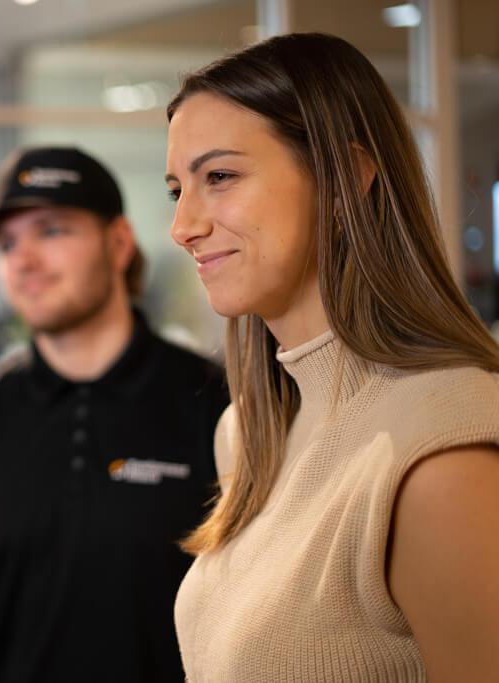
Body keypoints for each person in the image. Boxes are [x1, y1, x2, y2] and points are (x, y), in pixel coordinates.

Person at [164, 32, 499, 682]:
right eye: (177, 189)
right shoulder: (250, 432)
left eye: (220, 177)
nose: (184, 226)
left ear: (346, 180)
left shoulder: (443, 444)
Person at [0, 146, 229, 682]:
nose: (23, 259)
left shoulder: (218, 404)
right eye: (7, 242)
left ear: (119, 243)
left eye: (52, 231)